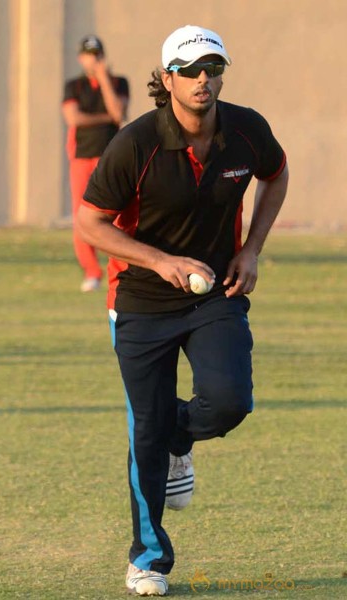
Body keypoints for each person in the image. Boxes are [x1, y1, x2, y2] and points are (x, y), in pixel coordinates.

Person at [77, 24, 289, 596]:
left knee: (228, 401)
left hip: (215, 296)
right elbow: (89, 221)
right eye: (191, 70)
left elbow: (277, 174)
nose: (204, 80)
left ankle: (179, 436)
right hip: (142, 301)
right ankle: (147, 559)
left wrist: (251, 250)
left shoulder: (246, 130)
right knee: (144, 430)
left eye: (213, 68)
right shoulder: (136, 143)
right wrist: (160, 260)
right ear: (167, 78)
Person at [62, 35, 129, 292]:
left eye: (97, 54)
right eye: (89, 55)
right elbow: (73, 117)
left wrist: (103, 79)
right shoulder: (74, 86)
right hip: (81, 156)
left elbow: (118, 113)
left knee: (116, 214)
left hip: (110, 156)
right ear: (81, 58)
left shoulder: (117, 82)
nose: (94, 59)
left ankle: (121, 265)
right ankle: (91, 271)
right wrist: (105, 118)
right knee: (83, 215)